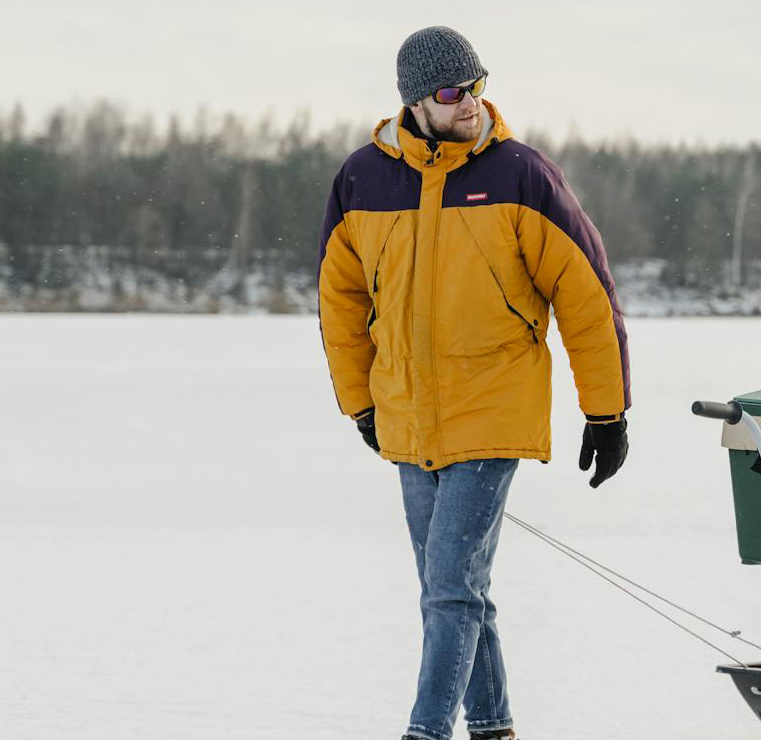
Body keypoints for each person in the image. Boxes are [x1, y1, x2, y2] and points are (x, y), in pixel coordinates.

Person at [316, 25, 631, 740]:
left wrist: (605, 413)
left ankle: (426, 731)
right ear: (417, 102)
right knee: (452, 588)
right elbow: (340, 304)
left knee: (450, 588)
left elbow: (587, 298)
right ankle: (493, 724)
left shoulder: (520, 173)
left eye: (477, 84)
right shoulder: (363, 178)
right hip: (405, 416)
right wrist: (362, 402)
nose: (472, 103)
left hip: (494, 409)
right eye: (454, 92)